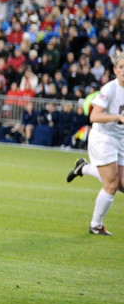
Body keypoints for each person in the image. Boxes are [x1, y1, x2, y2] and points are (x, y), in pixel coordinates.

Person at [65, 51, 124, 236]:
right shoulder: (110, 89)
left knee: (121, 184)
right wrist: (117, 117)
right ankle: (95, 225)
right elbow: (94, 116)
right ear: (115, 70)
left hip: (119, 138)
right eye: (121, 67)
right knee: (111, 184)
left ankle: (83, 167)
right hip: (103, 138)